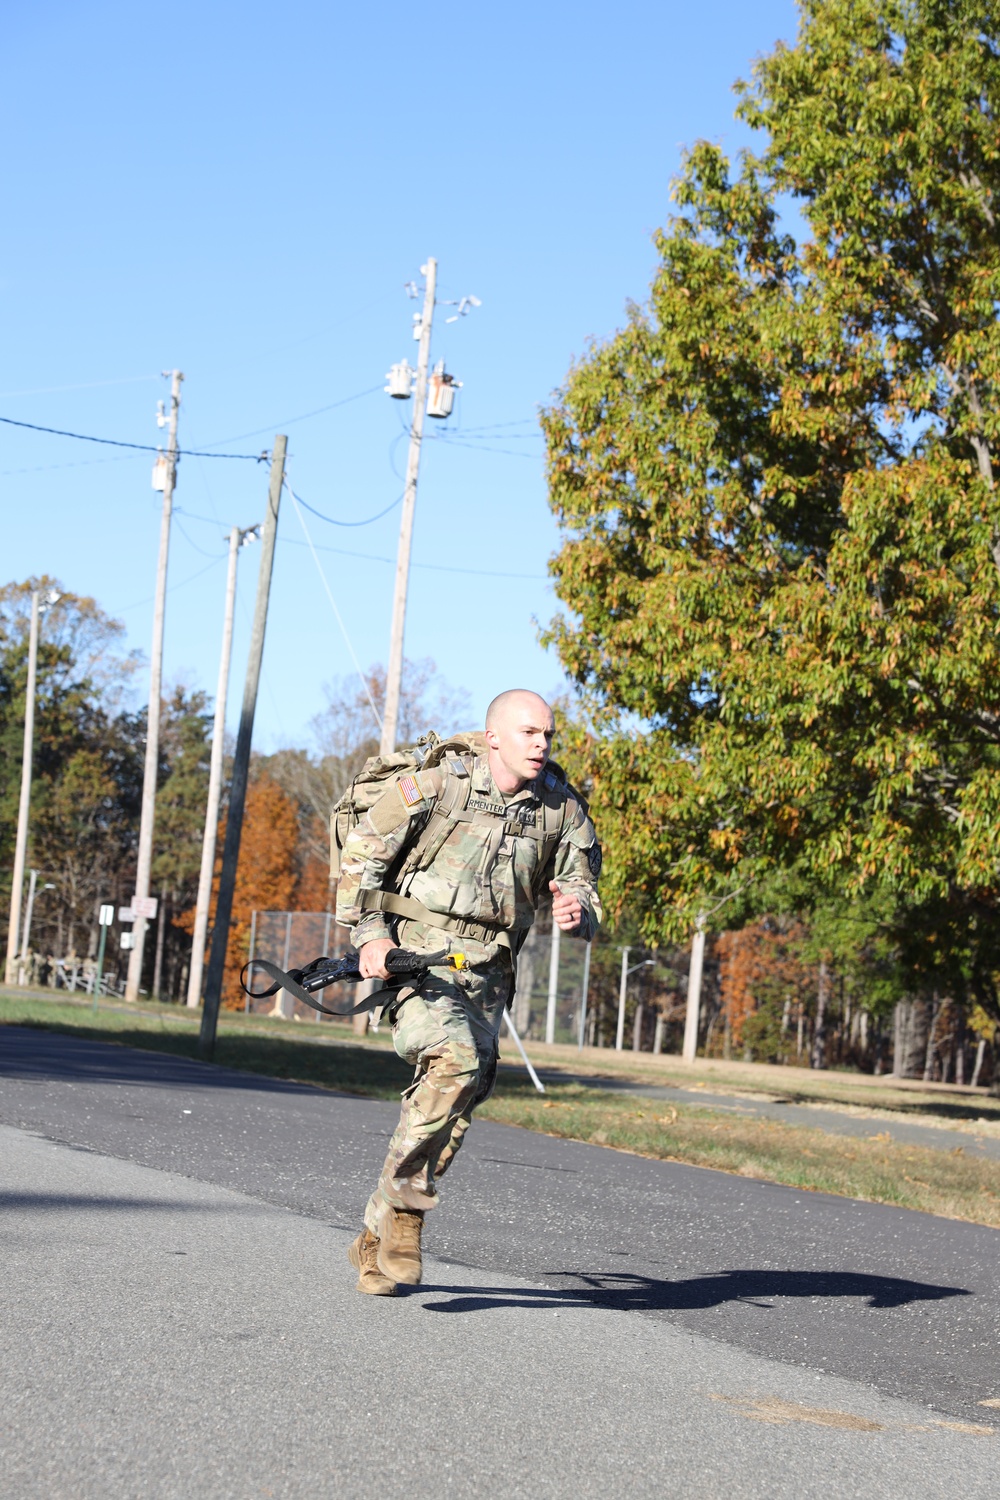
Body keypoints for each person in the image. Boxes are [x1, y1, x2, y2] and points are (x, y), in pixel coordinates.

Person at [336, 688, 602, 1296]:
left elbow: (582, 884)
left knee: (460, 1100)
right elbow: (361, 863)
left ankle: (375, 1238)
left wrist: (575, 908)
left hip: (489, 972)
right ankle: (406, 1210)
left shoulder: (560, 810)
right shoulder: (439, 788)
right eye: (530, 733)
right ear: (494, 738)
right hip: (420, 959)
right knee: (453, 1061)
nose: (542, 745)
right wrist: (372, 937)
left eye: (548, 736)